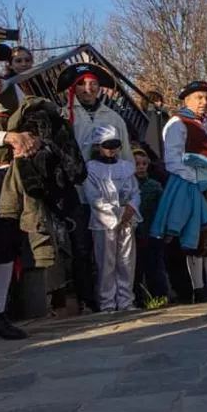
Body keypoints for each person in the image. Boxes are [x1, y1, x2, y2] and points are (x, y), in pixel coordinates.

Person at [150, 80, 207, 303]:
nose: (204, 102)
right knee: (197, 236)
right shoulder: (177, 124)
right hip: (192, 188)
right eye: (199, 97)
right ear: (186, 99)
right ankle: (199, 288)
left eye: (206, 98)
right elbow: (172, 160)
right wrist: (196, 180)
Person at [57, 62, 131, 312]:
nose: (88, 88)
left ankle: (120, 298)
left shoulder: (114, 117)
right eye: (82, 84)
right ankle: (87, 298)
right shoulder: (65, 114)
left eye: (93, 84)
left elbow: (127, 156)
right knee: (81, 245)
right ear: (73, 88)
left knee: (115, 250)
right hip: (78, 191)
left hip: (111, 195)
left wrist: (129, 194)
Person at [0, 37, 37, 339]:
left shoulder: (10, 89)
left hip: (6, 176)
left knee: (3, 247)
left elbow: (26, 119)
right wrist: (5, 138)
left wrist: (31, 137)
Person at [84, 125, 140, 312]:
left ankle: (125, 300)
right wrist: (115, 214)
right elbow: (93, 197)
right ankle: (107, 302)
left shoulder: (126, 167)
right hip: (103, 222)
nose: (111, 149)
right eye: (107, 145)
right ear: (98, 145)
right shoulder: (90, 169)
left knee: (127, 261)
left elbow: (135, 191)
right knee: (106, 262)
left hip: (127, 219)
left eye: (115, 145)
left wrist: (131, 208)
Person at [131, 147, 169, 310]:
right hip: (134, 231)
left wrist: (164, 229)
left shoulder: (154, 185)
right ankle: (138, 297)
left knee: (155, 266)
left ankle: (160, 296)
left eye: (143, 163)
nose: (140, 167)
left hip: (153, 230)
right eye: (137, 163)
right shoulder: (129, 185)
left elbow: (163, 209)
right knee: (136, 268)